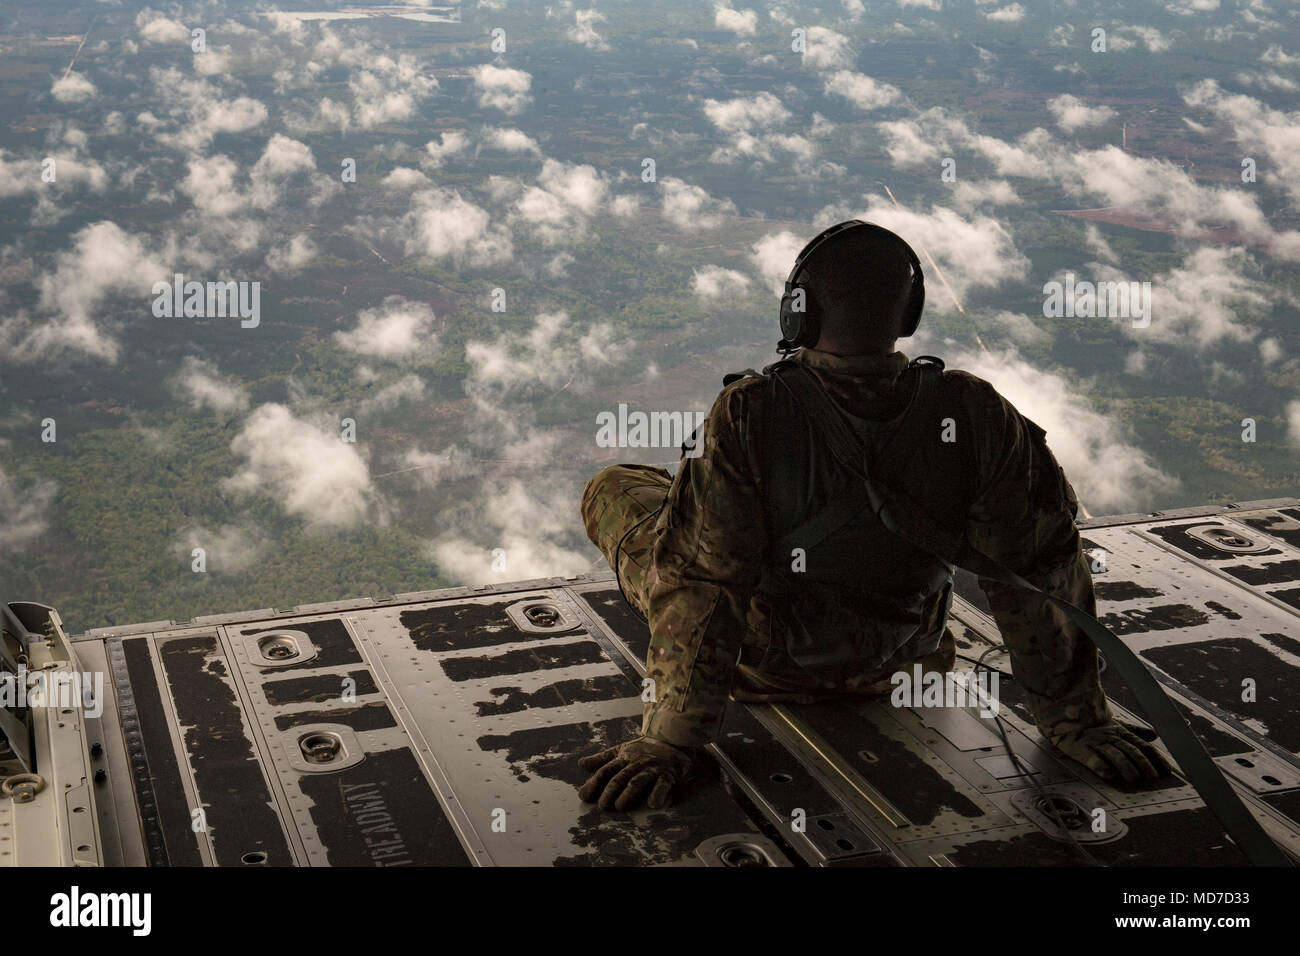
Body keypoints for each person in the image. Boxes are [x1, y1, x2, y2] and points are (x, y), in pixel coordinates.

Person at [577, 220, 1170, 812]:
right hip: (907, 667)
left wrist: (668, 741)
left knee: (617, 487)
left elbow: (702, 585)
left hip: (768, 674)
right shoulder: (974, 408)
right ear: (906, 313)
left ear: (798, 316)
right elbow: (1042, 572)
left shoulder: (749, 412)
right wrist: (1077, 724)